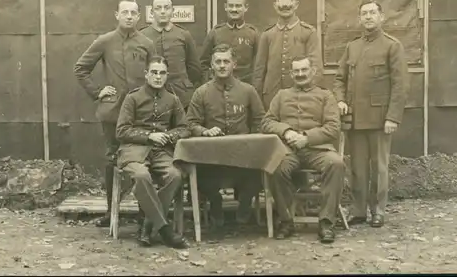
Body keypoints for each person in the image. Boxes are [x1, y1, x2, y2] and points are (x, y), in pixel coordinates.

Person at [74, 0, 155, 228]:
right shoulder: (105, 41)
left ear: (139, 17)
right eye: (125, 12)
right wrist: (99, 92)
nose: (129, 16)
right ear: (117, 15)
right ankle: (112, 213)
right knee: (113, 160)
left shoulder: (147, 43)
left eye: (133, 13)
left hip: (141, 114)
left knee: (142, 160)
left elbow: (155, 74)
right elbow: (80, 69)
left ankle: (144, 215)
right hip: (113, 113)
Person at [333, 0, 409, 228]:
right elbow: (339, 79)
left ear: (381, 17)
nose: (368, 17)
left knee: (379, 168)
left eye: (372, 13)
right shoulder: (352, 47)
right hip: (355, 119)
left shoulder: (392, 46)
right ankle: (358, 211)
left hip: (379, 120)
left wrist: (392, 117)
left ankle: (378, 211)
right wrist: (340, 100)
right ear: (359, 18)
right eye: (364, 13)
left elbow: (400, 85)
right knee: (357, 168)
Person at [261, 56, 345, 243]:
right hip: (288, 150)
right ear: (291, 73)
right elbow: (267, 122)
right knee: (276, 167)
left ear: (312, 71)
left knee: (336, 164)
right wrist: (287, 131)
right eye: (296, 71)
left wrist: (306, 138)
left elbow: (332, 127)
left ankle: (326, 222)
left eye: (304, 70)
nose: (300, 74)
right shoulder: (281, 95)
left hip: (317, 149)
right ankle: (286, 220)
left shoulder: (325, 96)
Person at [187, 44, 265, 233]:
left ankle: (245, 204)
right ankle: (215, 204)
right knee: (200, 177)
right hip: (212, 158)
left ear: (234, 65)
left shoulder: (248, 91)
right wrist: (204, 131)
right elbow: (190, 123)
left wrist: (253, 139)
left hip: (242, 157)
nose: (222, 66)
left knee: (258, 174)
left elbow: (260, 119)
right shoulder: (201, 93)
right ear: (212, 66)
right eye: (218, 62)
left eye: (226, 61)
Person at [116, 56, 189, 249]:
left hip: (161, 152)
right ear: (146, 74)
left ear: (167, 75)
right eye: (154, 72)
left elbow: (184, 128)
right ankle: (164, 230)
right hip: (133, 150)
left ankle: (147, 225)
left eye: (162, 73)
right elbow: (121, 130)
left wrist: (167, 135)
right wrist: (149, 136)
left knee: (175, 175)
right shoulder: (132, 98)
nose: (158, 77)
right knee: (141, 176)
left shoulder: (172, 100)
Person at [252, 0, 323, 109]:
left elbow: (316, 68)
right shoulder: (267, 35)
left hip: (301, 98)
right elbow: (259, 71)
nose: (285, 5)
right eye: (281, 0)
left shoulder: (308, 32)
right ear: (275, 5)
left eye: (289, 0)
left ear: (296, 5)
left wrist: (309, 94)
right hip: (271, 98)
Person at [140, 0, 203, 110]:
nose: (163, 11)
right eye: (158, 8)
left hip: (181, 97)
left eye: (166, 8)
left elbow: (194, 68)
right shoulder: (143, 36)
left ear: (172, 10)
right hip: (151, 97)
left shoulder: (183, 35)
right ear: (152, 12)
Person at [200, 0, 259, 84]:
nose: (234, 9)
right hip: (219, 85)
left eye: (238, 6)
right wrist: (210, 81)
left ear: (246, 8)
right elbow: (203, 63)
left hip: (246, 85)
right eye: (231, 6)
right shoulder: (215, 33)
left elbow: (259, 64)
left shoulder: (253, 34)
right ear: (225, 7)